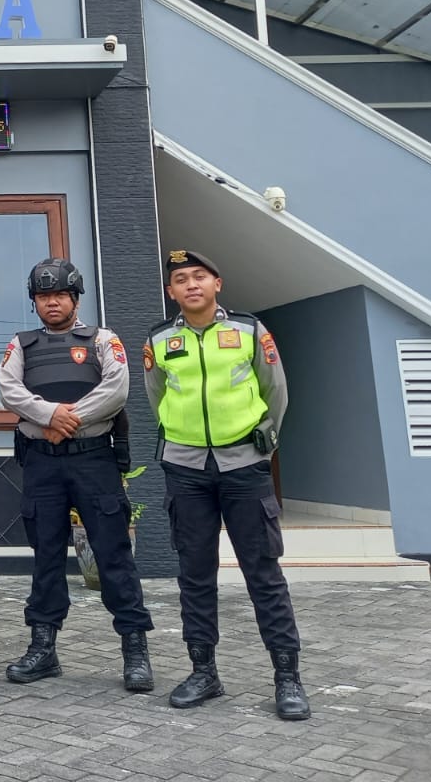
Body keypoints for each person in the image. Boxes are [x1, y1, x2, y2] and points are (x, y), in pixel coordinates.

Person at [144, 249, 310, 721]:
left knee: (263, 574)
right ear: (171, 291)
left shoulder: (250, 330)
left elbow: (276, 390)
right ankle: (204, 672)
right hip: (186, 470)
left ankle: (287, 677)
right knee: (195, 575)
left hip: (244, 466)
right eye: (181, 279)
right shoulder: (159, 339)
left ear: (217, 283)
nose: (191, 285)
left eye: (200, 276)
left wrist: (262, 444)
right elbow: (157, 397)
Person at [0, 257, 154, 691]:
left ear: (75, 299)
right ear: (34, 302)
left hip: (94, 461)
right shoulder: (21, 344)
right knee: (46, 557)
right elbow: (8, 390)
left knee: (114, 555)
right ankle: (43, 649)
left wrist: (67, 419)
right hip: (42, 462)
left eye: (60, 295)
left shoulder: (103, 339)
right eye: (44, 296)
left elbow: (116, 389)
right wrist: (48, 414)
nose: (52, 302)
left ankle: (135, 651)